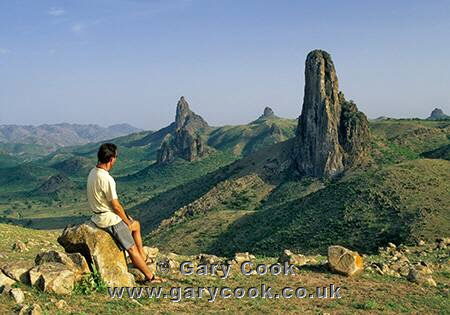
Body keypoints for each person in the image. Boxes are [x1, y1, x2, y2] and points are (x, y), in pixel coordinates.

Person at [87, 143, 164, 284]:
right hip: (108, 220)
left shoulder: (93, 172)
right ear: (111, 159)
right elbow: (116, 206)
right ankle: (150, 276)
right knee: (131, 248)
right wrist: (126, 221)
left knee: (136, 225)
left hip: (97, 216)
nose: (115, 160)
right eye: (115, 157)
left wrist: (128, 220)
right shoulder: (107, 179)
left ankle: (142, 258)